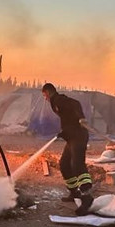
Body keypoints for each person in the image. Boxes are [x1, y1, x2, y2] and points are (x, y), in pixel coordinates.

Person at [42, 83, 94, 215]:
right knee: (64, 164)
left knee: (77, 164)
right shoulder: (55, 102)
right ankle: (74, 192)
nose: (45, 98)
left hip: (79, 136)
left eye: (44, 95)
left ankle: (86, 196)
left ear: (48, 92)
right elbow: (68, 118)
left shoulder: (58, 100)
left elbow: (75, 104)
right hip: (72, 136)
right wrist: (64, 131)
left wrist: (81, 118)